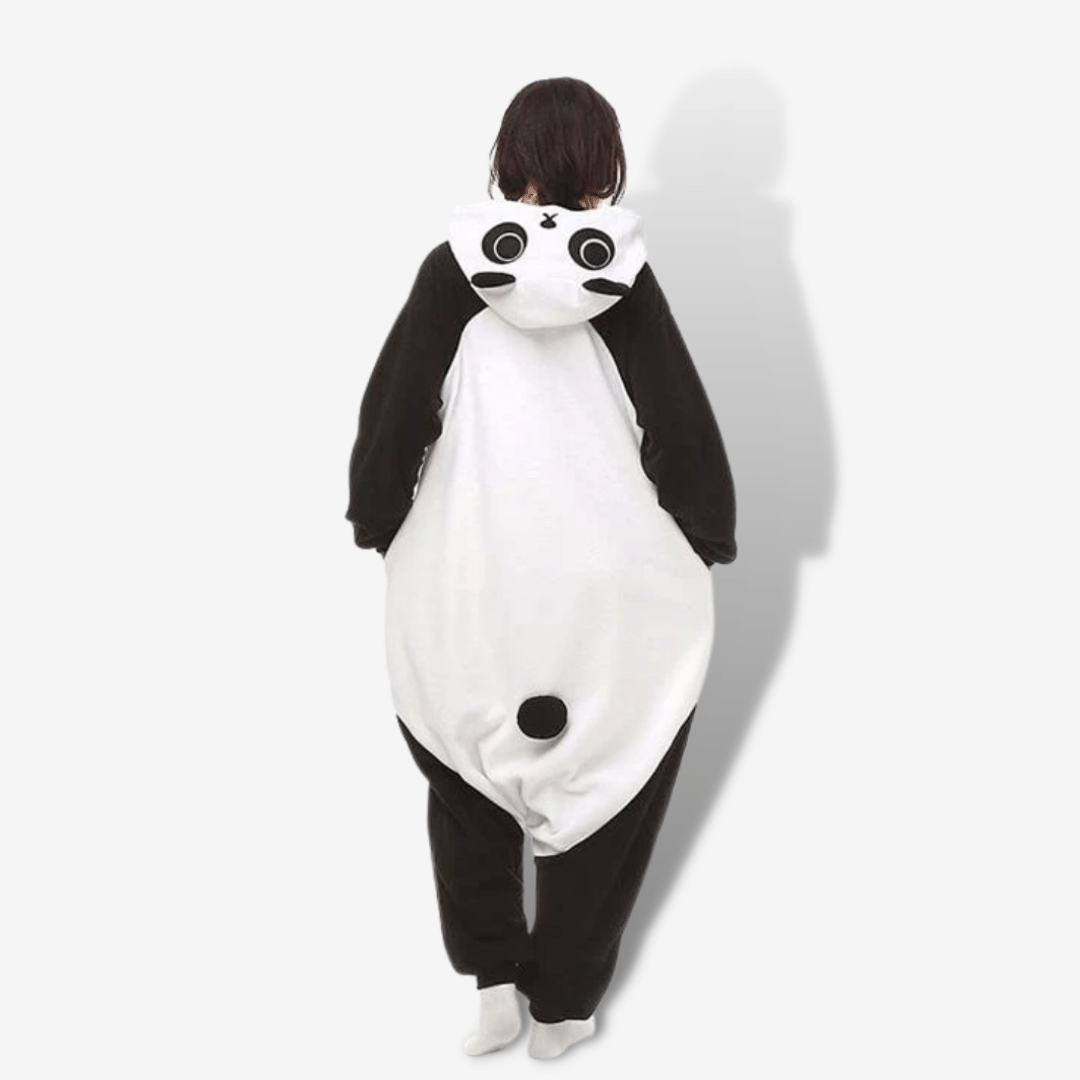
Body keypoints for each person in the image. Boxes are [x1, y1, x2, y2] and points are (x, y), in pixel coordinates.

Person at [345, 76, 737, 1059]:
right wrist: (708, 529)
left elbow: (398, 410)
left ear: (505, 157)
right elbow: (676, 421)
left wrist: (377, 515)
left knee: (465, 773)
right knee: (611, 781)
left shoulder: (455, 271)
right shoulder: (625, 279)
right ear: (606, 165)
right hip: (607, 589)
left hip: (473, 572)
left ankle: (492, 981)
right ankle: (562, 1007)